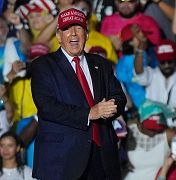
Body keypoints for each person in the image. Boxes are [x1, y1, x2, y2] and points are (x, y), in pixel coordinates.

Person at [30, 8, 126, 180]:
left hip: (102, 157)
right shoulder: (43, 66)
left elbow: (119, 97)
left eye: (79, 28)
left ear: (87, 34)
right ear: (58, 36)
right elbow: (47, 107)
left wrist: (111, 107)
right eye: (67, 29)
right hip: (63, 161)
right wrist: (90, 113)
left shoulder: (101, 64)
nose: (73, 33)